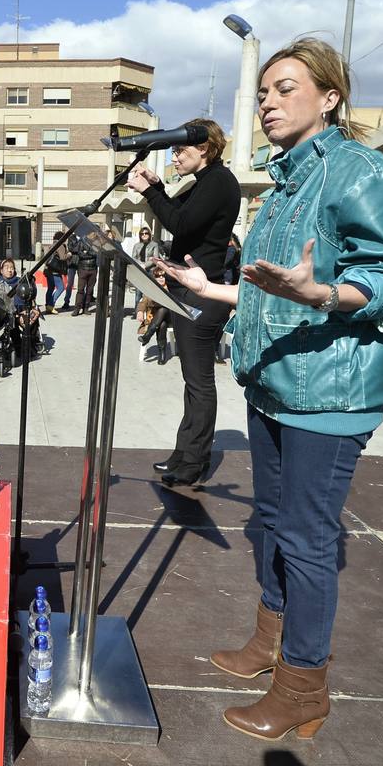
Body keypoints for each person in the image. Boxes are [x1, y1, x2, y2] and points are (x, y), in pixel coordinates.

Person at [158, 37, 383, 740]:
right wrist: (209, 287)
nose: (269, 103)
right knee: (271, 521)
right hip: (274, 381)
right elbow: (275, 292)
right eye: (266, 92)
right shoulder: (285, 184)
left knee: (306, 538)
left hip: (330, 392)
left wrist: (329, 292)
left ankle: (304, 685)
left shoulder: (362, 174)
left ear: (330, 98)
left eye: (286, 88)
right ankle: (270, 643)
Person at [127, 117, 240, 489]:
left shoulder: (219, 182)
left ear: (204, 148)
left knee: (199, 383)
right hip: (189, 290)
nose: (174, 157)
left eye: (180, 150)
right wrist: (158, 187)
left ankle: (193, 463)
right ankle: (183, 453)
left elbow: (179, 222)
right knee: (193, 384)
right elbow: (181, 215)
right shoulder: (205, 182)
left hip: (203, 295)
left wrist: (149, 192)